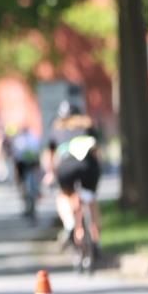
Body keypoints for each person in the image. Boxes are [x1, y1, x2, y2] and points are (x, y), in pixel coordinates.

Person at [43, 101, 102, 258]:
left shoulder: (56, 128)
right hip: (88, 166)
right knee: (91, 199)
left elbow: (50, 155)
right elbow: (96, 150)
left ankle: (70, 224)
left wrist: (50, 173)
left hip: (66, 167)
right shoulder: (87, 125)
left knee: (64, 195)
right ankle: (96, 239)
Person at [9, 125, 41, 208]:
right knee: (31, 180)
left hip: (22, 163)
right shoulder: (32, 138)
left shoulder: (18, 139)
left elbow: (14, 153)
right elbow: (37, 151)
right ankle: (34, 192)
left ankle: (27, 194)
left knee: (22, 182)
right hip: (30, 162)